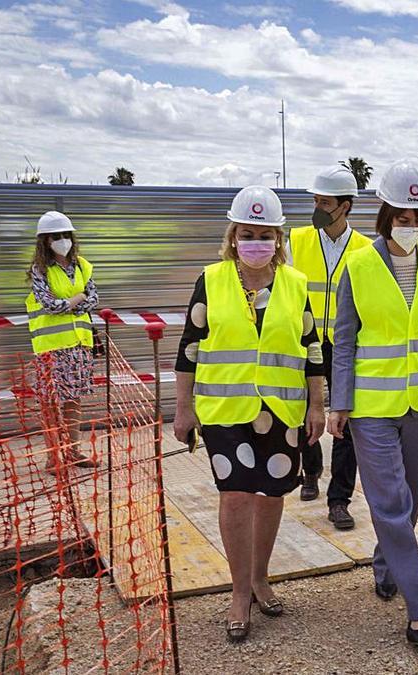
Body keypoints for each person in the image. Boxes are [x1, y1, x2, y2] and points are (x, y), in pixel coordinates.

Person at [173, 185, 325, 642]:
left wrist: (317, 405)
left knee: (272, 495)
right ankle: (240, 591)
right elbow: (188, 350)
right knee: (235, 496)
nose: (256, 241)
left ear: (278, 239)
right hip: (225, 410)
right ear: (233, 235)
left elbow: (312, 349)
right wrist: (183, 410)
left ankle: (261, 577)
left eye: (265, 234)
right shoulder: (212, 279)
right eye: (247, 232)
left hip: (281, 410)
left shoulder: (296, 285)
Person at [327, 160, 418, 646]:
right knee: (390, 502)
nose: (411, 225)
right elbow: (344, 340)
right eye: (402, 215)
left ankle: (385, 565)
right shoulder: (357, 265)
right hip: (371, 406)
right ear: (385, 215)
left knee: (410, 501)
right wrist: (339, 404)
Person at [288, 165, 371, 527]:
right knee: (306, 410)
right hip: (305, 339)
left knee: (344, 419)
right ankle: (310, 472)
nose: (318, 207)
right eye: (316, 200)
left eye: (326, 202)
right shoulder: (297, 240)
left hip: (344, 343)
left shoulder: (365, 249)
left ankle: (339, 499)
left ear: (346, 207)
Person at [26, 211, 100, 470]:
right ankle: (52, 456)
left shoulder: (82, 266)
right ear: (45, 241)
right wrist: (76, 300)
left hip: (79, 344)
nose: (63, 241)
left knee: (73, 400)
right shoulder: (40, 270)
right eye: (56, 236)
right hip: (50, 349)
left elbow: (94, 299)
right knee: (49, 403)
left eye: (66, 235)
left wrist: (72, 303)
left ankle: (72, 451)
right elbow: (50, 305)